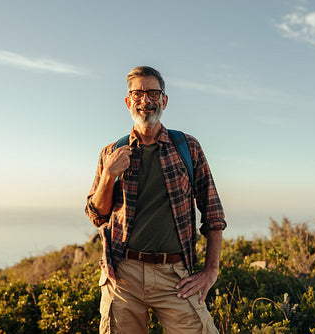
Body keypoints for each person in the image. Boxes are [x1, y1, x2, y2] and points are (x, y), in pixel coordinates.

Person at [85, 66, 227, 334]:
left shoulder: (187, 147)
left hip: (174, 277)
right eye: (137, 94)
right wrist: (109, 176)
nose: (145, 101)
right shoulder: (111, 152)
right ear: (128, 101)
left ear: (164, 100)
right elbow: (97, 215)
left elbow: (213, 213)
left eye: (153, 93)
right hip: (123, 276)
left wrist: (211, 272)